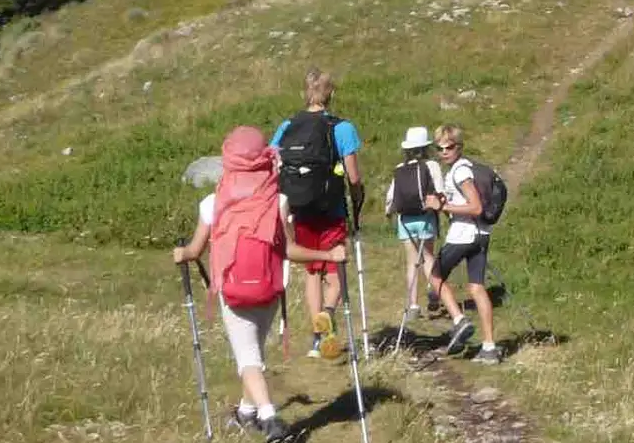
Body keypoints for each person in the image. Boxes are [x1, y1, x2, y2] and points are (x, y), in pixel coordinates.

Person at [174, 126, 347, 442]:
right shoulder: (277, 201)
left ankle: (270, 418)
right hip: (269, 290)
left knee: (247, 358)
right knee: (252, 354)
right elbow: (289, 251)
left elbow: (195, 250)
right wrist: (329, 253)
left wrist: (182, 253)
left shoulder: (211, 203)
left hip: (233, 291)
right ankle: (245, 412)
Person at [269, 68, 364, 359]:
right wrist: (358, 202)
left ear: (305, 92)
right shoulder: (342, 127)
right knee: (335, 274)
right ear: (331, 93)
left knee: (313, 271)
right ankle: (328, 313)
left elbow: (272, 162)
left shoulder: (288, 126)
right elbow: (354, 177)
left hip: (300, 209)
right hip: (331, 208)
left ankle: (316, 338)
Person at [423, 123, 500, 363]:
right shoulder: (463, 169)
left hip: (463, 235)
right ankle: (489, 348)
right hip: (481, 235)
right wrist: (447, 204)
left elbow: (475, 207)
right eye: (440, 148)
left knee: (434, 276)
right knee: (476, 287)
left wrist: (442, 206)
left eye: (449, 147)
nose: (444, 151)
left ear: (459, 147)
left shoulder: (459, 172)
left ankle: (459, 320)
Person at [385, 125, 445, 320]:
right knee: (428, 257)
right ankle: (433, 289)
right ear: (426, 147)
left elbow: (391, 197)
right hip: (426, 217)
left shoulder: (399, 169)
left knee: (412, 262)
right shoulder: (431, 165)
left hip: (405, 220)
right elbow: (440, 192)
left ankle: (413, 306)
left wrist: (389, 213)